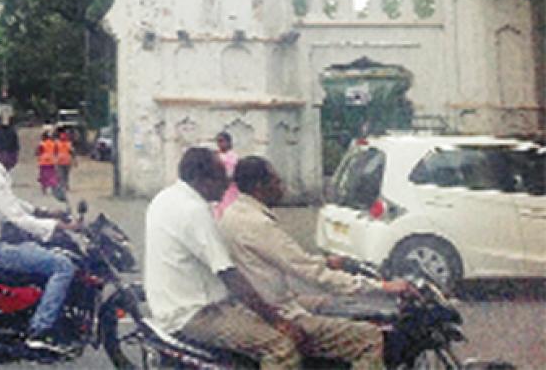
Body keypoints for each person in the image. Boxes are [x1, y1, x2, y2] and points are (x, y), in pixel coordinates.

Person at [219, 156, 413, 370]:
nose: (282, 187)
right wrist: (382, 287)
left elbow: (292, 259)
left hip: (267, 303)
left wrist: (328, 262)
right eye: (276, 181)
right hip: (277, 310)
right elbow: (312, 273)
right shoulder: (257, 224)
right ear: (259, 187)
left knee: (335, 305)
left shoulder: (234, 213)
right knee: (369, 337)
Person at [144, 146, 309, 370]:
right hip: (197, 314)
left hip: (170, 306)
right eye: (221, 177)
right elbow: (229, 275)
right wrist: (276, 320)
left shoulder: (165, 198)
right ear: (201, 179)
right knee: (280, 346)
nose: (228, 184)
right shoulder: (194, 211)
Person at [0, 125, 79, 354]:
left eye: (15, 153)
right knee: (63, 266)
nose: (15, 158)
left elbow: (14, 203)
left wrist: (46, 212)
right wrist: (59, 226)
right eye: (11, 153)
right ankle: (40, 330)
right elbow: (18, 217)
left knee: (48, 251)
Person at [213, 131, 239, 219]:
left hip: (230, 189)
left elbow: (231, 174)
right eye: (218, 141)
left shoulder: (233, 156)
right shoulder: (215, 155)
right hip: (217, 188)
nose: (219, 144)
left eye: (222, 141)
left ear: (229, 142)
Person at [36, 127, 58, 194]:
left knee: (43, 176)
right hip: (51, 161)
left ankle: (44, 189)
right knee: (52, 175)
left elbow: (38, 152)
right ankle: (53, 187)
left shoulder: (41, 144)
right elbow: (56, 152)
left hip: (43, 162)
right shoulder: (54, 143)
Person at [55, 127, 74, 192]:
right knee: (64, 175)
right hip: (66, 161)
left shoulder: (58, 143)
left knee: (62, 174)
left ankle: (64, 185)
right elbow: (72, 152)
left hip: (62, 161)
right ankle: (65, 185)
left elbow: (55, 152)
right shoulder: (69, 143)